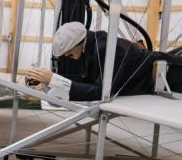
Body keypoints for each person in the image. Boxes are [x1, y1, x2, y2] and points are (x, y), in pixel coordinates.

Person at [24, 21, 182, 101]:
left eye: (68, 53)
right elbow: (90, 80)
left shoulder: (106, 48)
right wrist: (49, 82)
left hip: (174, 75)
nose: (67, 56)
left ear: (78, 43)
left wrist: (55, 79)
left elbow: (103, 92)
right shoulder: (92, 46)